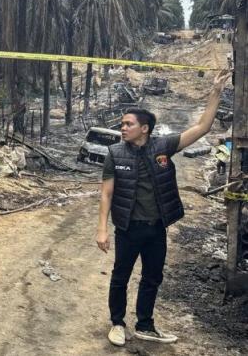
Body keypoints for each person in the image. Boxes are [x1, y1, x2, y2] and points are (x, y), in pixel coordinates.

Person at [96, 70, 230, 347]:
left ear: (144, 128)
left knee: (152, 277)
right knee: (120, 277)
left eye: (128, 124)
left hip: (156, 228)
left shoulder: (163, 147)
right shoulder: (114, 154)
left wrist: (215, 93)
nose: (122, 128)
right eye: (122, 124)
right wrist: (102, 230)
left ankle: (145, 325)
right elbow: (106, 194)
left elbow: (202, 127)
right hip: (128, 228)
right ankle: (118, 324)